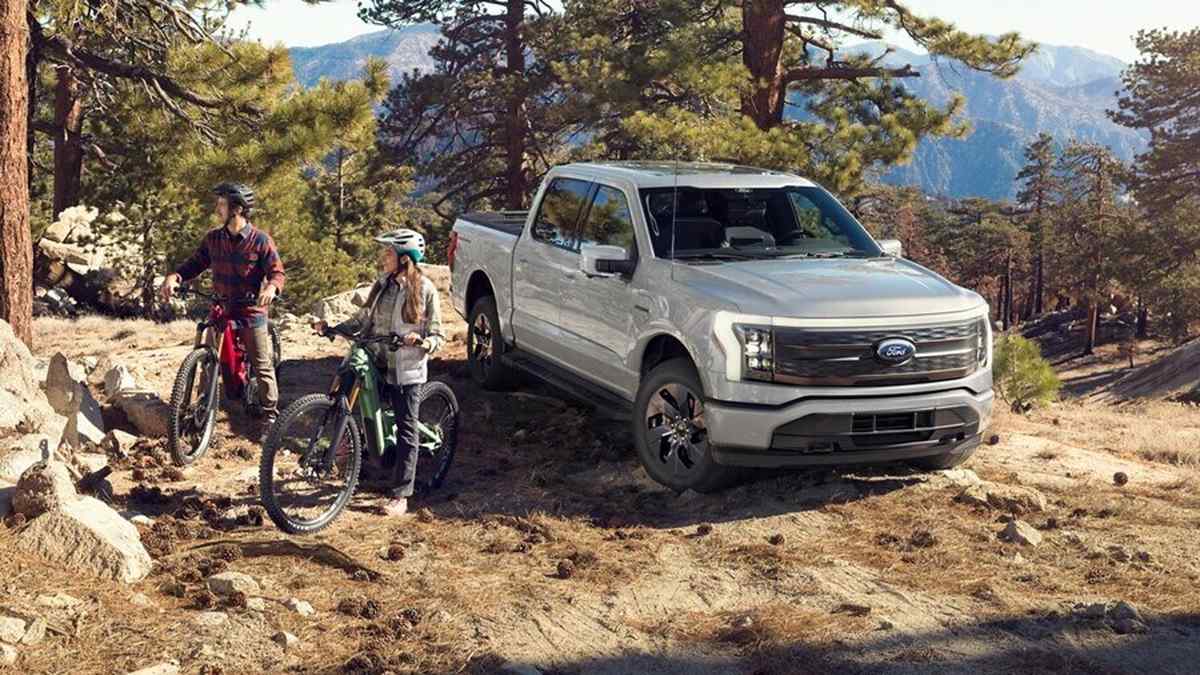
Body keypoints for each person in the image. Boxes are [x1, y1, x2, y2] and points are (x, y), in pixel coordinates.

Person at [311, 229, 443, 517]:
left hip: (406, 369)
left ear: (404, 258)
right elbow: (361, 319)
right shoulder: (382, 284)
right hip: (377, 359)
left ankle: (401, 496)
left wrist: (422, 341)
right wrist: (333, 327)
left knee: (408, 428)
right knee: (348, 388)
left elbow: (438, 335)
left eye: (389, 253)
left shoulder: (425, 290)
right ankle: (338, 452)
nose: (384, 257)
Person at [160, 183, 285, 440]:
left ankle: (270, 415)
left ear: (237, 209)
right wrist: (176, 276)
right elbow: (195, 263)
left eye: (222, 204)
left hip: (251, 311)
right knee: (208, 363)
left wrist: (272, 287)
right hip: (221, 309)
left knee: (262, 366)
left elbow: (277, 272)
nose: (218, 207)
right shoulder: (213, 239)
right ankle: (201, 411)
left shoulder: (260, 240)